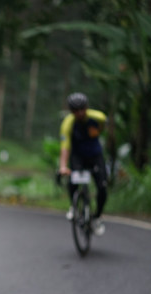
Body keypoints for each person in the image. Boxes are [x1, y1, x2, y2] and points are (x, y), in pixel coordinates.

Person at [59, 92, 108, 235]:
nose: (80, 113)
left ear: (86, 107)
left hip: (95, 155)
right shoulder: (68, 124)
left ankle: (97, 216)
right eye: (76, 110)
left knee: (102, 186)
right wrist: (63, 166)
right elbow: (65, 147)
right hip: (78, 156)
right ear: (71, 111)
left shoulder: (98, 117)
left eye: (82, 109)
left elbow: (103, 127)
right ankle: (74, 207)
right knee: (72, 179)